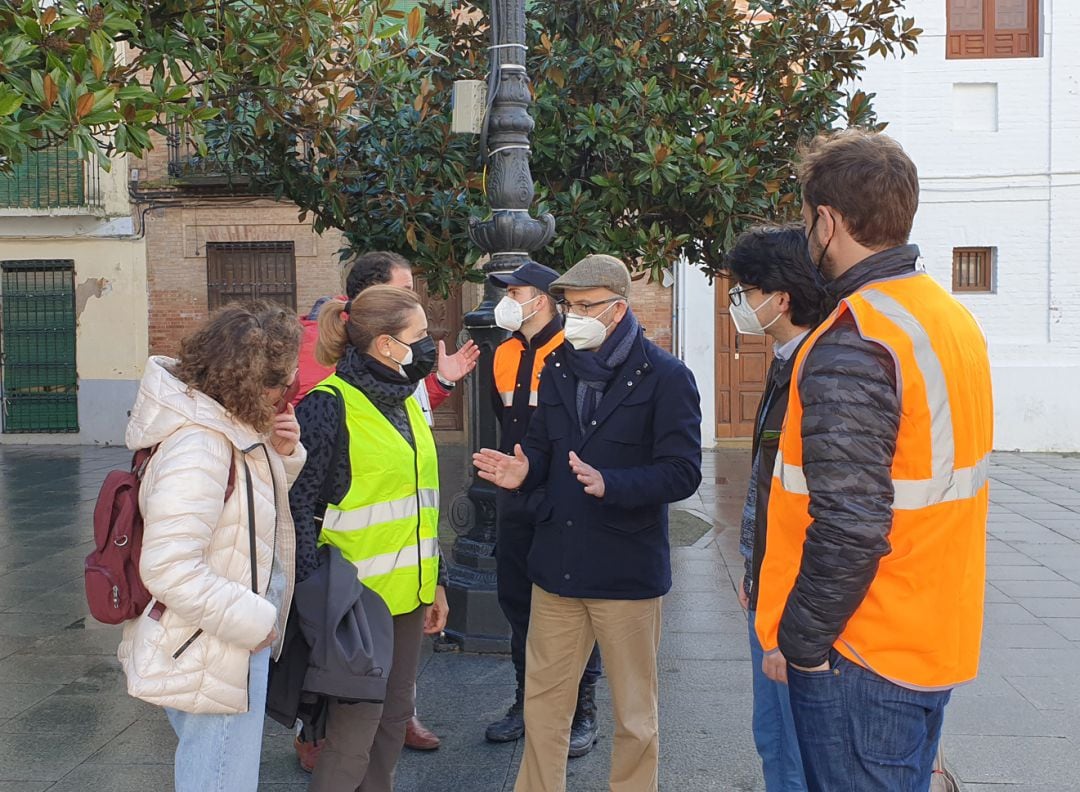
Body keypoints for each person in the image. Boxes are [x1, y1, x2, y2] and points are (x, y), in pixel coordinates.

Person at [755, 129, 994, 791]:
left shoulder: (857, 336)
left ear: (828, 222)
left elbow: (849, 526)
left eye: (806, 220)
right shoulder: (946, 317)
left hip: (863, 649)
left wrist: (800, 644)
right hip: (932, 630)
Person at [473, 254, 703, 792]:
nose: (573, 315)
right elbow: (541, 447)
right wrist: (525, 469)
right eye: (569, 305)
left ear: (618, 309)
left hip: (626, 572)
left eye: (586, 306)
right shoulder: (558, 367)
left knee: (634, 717)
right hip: (556, 566)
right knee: (543, 707)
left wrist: (613, 484)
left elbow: (683, 472)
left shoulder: (666, 376)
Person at [293, 251, 477, 760]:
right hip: (348, 588)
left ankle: (395, 717)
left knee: (384, 719)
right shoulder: (328, 395)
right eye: (407, 293)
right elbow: (305, 500)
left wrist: (440, 381)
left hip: (404, 579)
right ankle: (315, 736)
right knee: (347, 724)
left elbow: (410, 469)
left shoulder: (402, 385)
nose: (417, 301)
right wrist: (311, 591)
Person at [118, 301, 306, 792]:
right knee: (221, 780)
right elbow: (168, 566)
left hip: (217, 632)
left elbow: (241, 514)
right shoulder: (199, 446)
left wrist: (280, 456)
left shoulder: (225, 428)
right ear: (254, 384)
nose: (289, 392)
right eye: (284, 382)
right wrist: (257, 620)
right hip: (214, 641)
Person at [722, 226, 830, 792]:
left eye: (745, 289)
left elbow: (829, 510)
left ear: (780, 299)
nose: (739, 303)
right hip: (771, 581)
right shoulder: (789, 360)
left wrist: (795, 622)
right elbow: (771, 488)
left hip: (795, 605)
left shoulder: (819, 371)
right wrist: (753, 567)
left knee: (791, 746)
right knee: (776, 737)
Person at [483, 261, 604, 757]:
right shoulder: (504, 353)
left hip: (562, 498)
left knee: (573, 605)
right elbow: (505, 418)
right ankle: (525, 701)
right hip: (515, 496)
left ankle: (582, 708)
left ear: (545, 299)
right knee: (517, 600)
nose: (509, 300)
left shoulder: (574, 350)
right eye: (506, 292)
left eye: (519, 292)